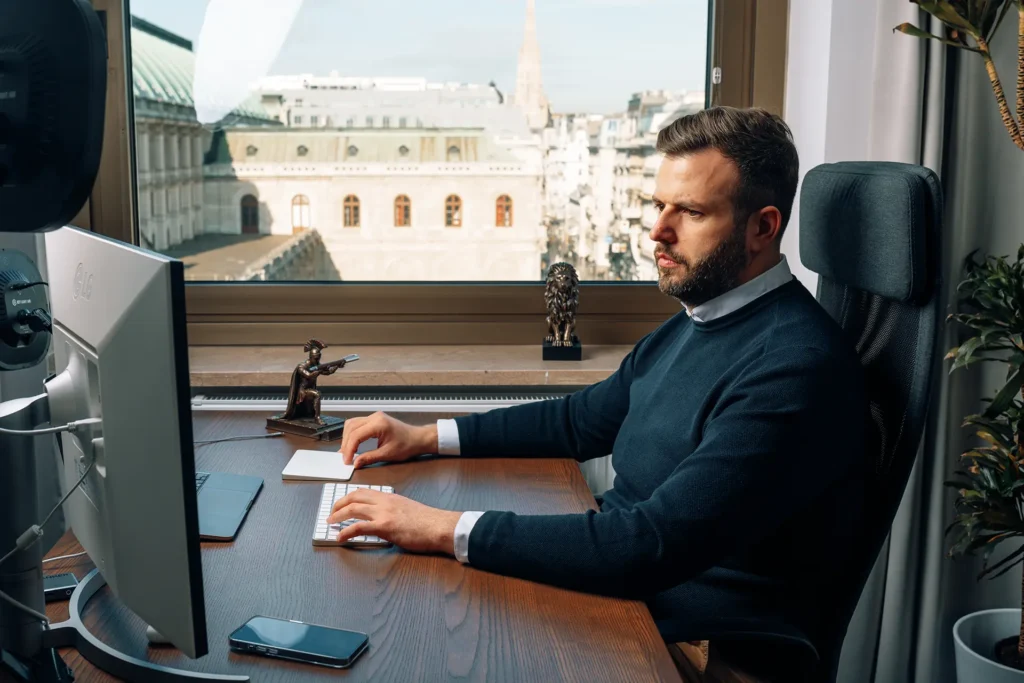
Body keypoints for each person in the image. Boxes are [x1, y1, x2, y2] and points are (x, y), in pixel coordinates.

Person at [330, 107, 867, 682]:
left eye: (689, 212)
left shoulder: (793, 368)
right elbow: (580, 421)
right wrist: (425, 437)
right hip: (633, 602)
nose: (659, 231)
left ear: (763, 227)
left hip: (703, 649)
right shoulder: (703, 316)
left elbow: (648, 545)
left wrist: (439, 528)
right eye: (658, 206)